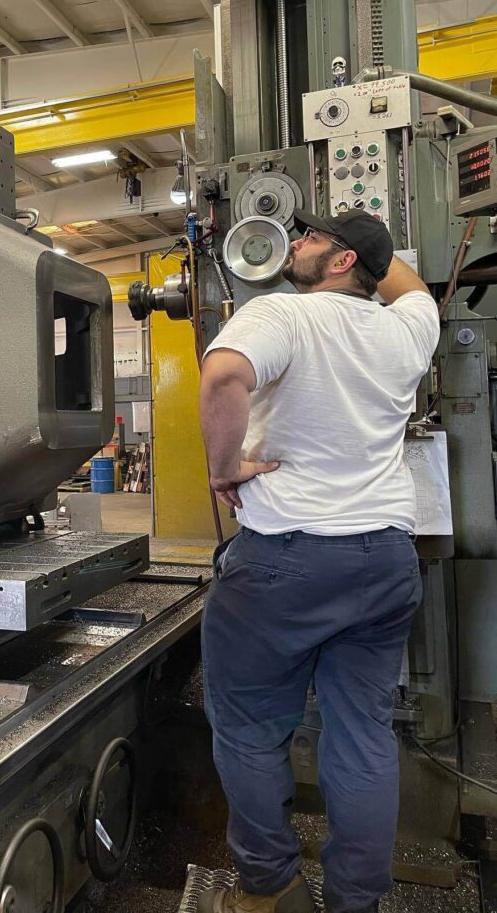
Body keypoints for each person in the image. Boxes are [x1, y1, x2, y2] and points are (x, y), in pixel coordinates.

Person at [197, 208, 440, 913]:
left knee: (248, 728)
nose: (294, 243)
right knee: (363, 735)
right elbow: (410, 283)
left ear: (339, 265)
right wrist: (364, 243)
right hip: (386, 563)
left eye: (310, 238)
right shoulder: (409, 328)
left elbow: (221, 381)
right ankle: (356, 902)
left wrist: (225, 467)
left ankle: (270, 887)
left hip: (286, 564)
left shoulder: (285, 316)